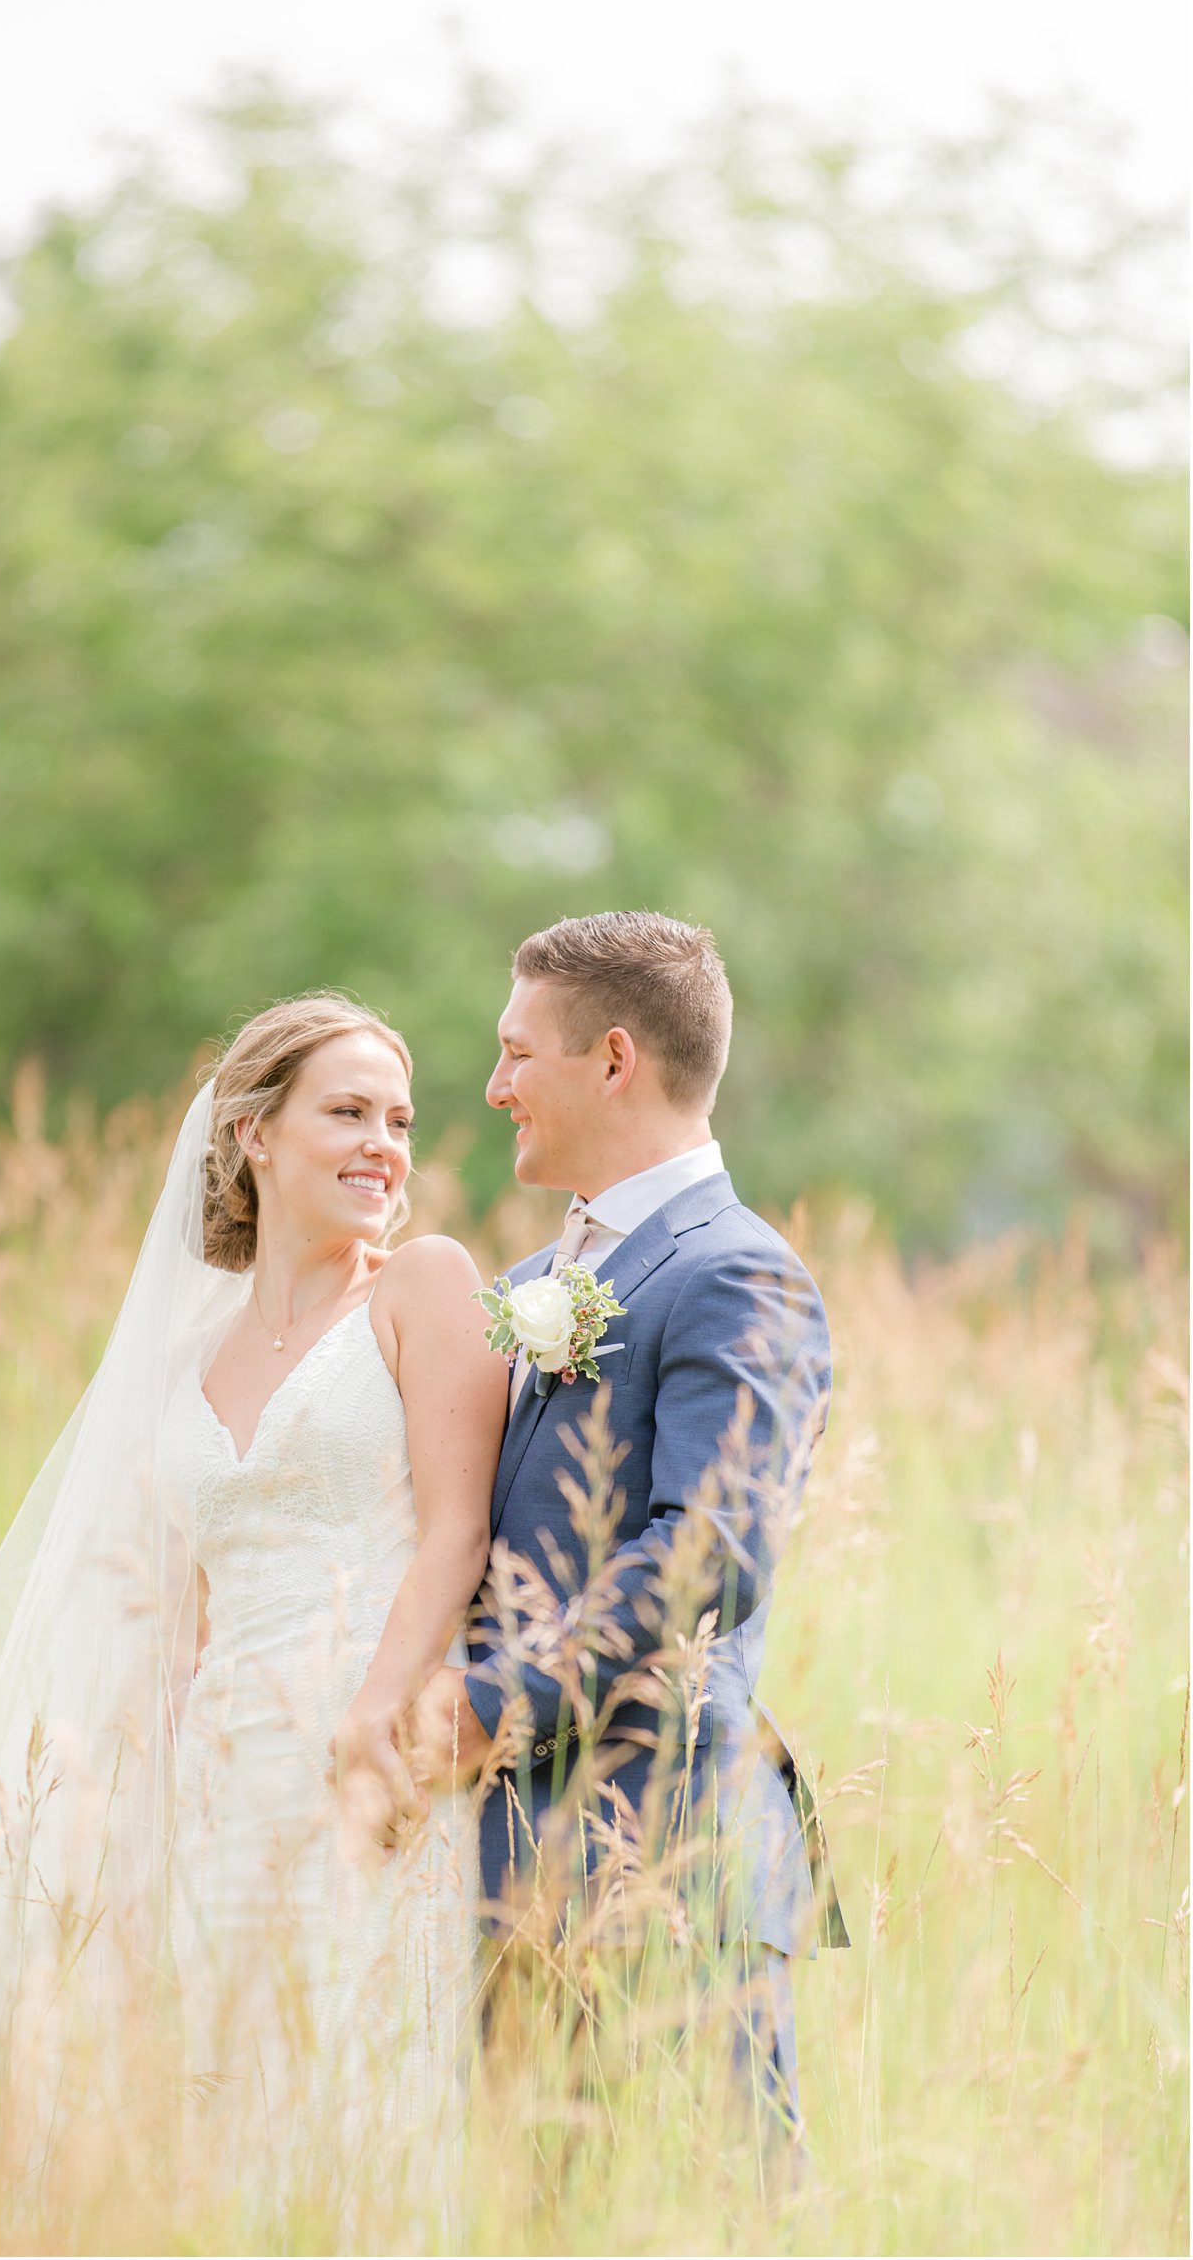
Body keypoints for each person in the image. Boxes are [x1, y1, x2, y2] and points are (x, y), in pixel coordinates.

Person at [0, 994, 505, 2238]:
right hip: (222, 1774)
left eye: (397, 1119)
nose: (381, 1145)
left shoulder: (423, 1288)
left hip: (372, 1747)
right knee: (233, 2089)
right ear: (250, 1132)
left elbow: (455, 1530)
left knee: (364, 2078)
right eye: (344, 1112)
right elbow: (173, 1610)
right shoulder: (186, 1358)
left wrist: (373, 1721)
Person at [407, 910, 848, 2138]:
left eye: (514, 1054)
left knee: (707, 2209)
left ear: (612, 1059)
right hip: (515, 1855)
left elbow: (709, 1553)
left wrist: (493, 1703)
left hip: (666, 1849)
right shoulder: (527, 1287)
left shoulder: (736, 1272)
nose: (493, 1088)